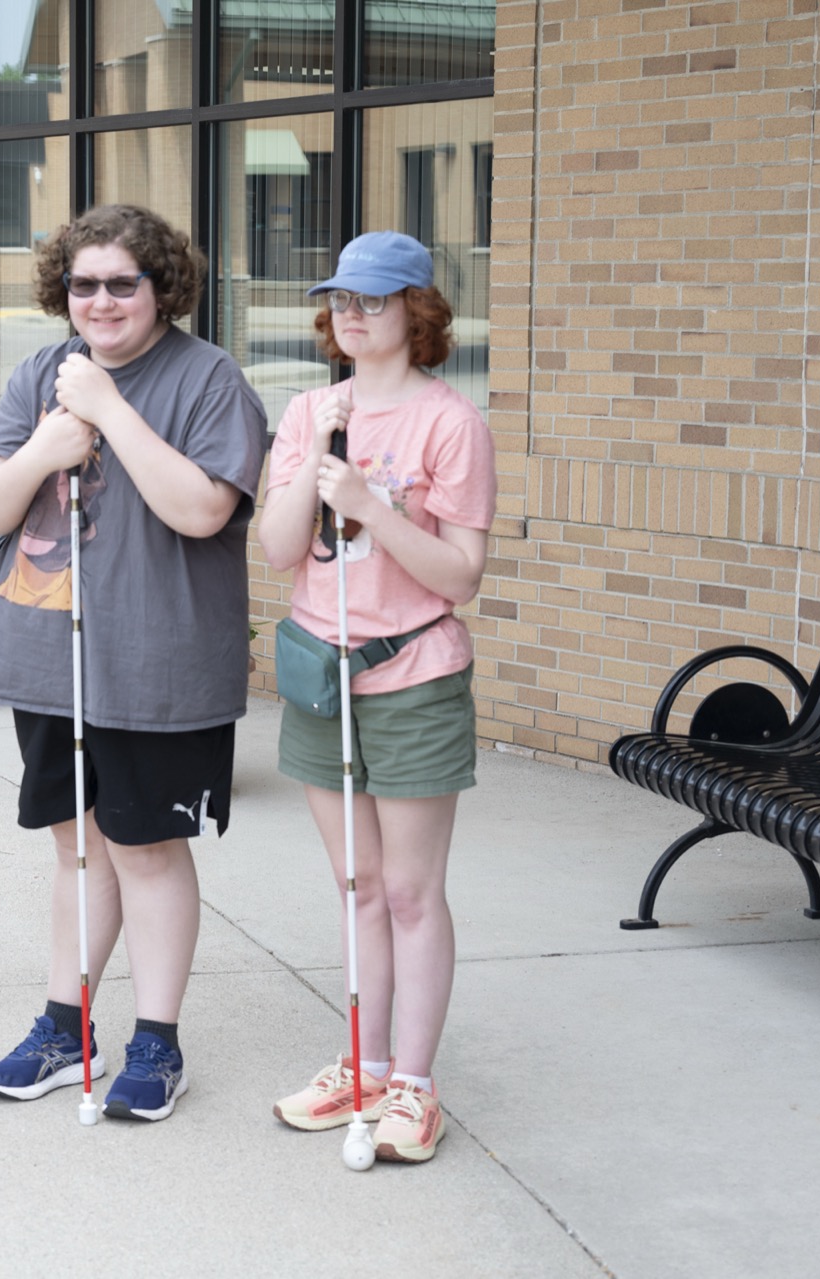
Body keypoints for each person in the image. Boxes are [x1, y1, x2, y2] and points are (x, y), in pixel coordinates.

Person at [0, 204, 268, 1123]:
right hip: (51, 655)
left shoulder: (209, 379)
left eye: (121, 283)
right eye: (82, 283)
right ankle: (66, 1026)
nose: (99, 301)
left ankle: (156, 1042)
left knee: (145, 846)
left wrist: (104, 409)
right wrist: (47, 447)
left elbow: (203, 508)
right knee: (77, 846)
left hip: (156, 660)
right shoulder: (36, 375)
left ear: (161, 288)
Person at [257, 231, 496, 1163]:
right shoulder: (311, 408)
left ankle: (414, 1085)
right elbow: (280, 549)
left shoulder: (450, 422)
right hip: (325, 670)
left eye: (373, 301)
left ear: (418, 311)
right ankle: (361, 1062)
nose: (352, 317)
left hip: (414, 674)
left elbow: (461, 574)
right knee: (355, 882)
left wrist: (369, 503)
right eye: (341, 303)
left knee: (407, 888)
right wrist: (314, 452)